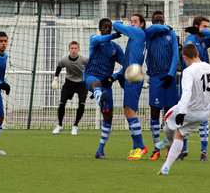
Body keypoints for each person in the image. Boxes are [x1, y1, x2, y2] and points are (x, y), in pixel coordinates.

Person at [156, 43, 210, 175]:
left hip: (189, 110)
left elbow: (187, 92)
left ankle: (168, 140)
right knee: (181, 134)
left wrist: (182, 112)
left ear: (184, 57)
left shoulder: (188, 71)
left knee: (167, 118)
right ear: (198, 54)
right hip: (203, 114)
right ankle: (165, 168)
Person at [178, 15, 210, 161]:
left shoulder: (202, 40)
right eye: (205, 26)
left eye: (208, 27)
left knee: (203, 117)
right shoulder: (191, 41)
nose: (208, 30)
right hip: (192, 82)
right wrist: (199, 31)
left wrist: (203, 31)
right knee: (185, 115)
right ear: (197, 26)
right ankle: (183, 150)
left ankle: (204, 151)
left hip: (202, 83)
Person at [84, 18, 125, 159]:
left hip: (106, 81)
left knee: (108, 116)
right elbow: (96, 41)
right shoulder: (95, 40)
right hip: (91, 77)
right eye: (105, 27)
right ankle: (100, 96)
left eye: (109, 27)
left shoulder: (115, 48)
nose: (107, 29)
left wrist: (114, 76)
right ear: (100, 28)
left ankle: (100, 150)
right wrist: (115, 35)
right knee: (96, 84)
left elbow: (127, 65)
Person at [113, 13, 148, 160]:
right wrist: (114, 76)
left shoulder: (138, 33)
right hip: (130, 76)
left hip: (134, 78)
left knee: (130, 111)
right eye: (131, 21)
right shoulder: (133, 39)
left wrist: (119, 23)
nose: (132, 24)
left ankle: (141, 147)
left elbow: (115, 25)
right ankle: (136, 147)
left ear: (141, 25)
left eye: (135, 21)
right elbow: (127, 61)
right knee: (128, 111)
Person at [145, 11, 179, 160]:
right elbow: (150, 30)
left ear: (164, 20)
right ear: (152, 22)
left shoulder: (171, 35)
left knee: (169, 113)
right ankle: (155, 148)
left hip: (168, 76)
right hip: (155, 77)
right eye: (156, 20)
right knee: (154, 111)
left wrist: (171, 74)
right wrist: (164, 28)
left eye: (161, 20)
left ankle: (169, 148)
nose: (159, 22)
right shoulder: (150, 34)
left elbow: (175, 55)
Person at [52, 41, 88, 135]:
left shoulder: (84, 59)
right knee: (62, 103)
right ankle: (59, 125)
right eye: (72, 48)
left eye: (75, 48)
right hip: (69, 83)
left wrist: (90, 79)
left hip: (81, 84)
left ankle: (75, 126)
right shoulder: (64, 60)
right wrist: (55, 79)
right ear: (69, 49)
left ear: (78, 49)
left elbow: (91, 67)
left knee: (82, 104)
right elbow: (59, 67)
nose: (73, 50)